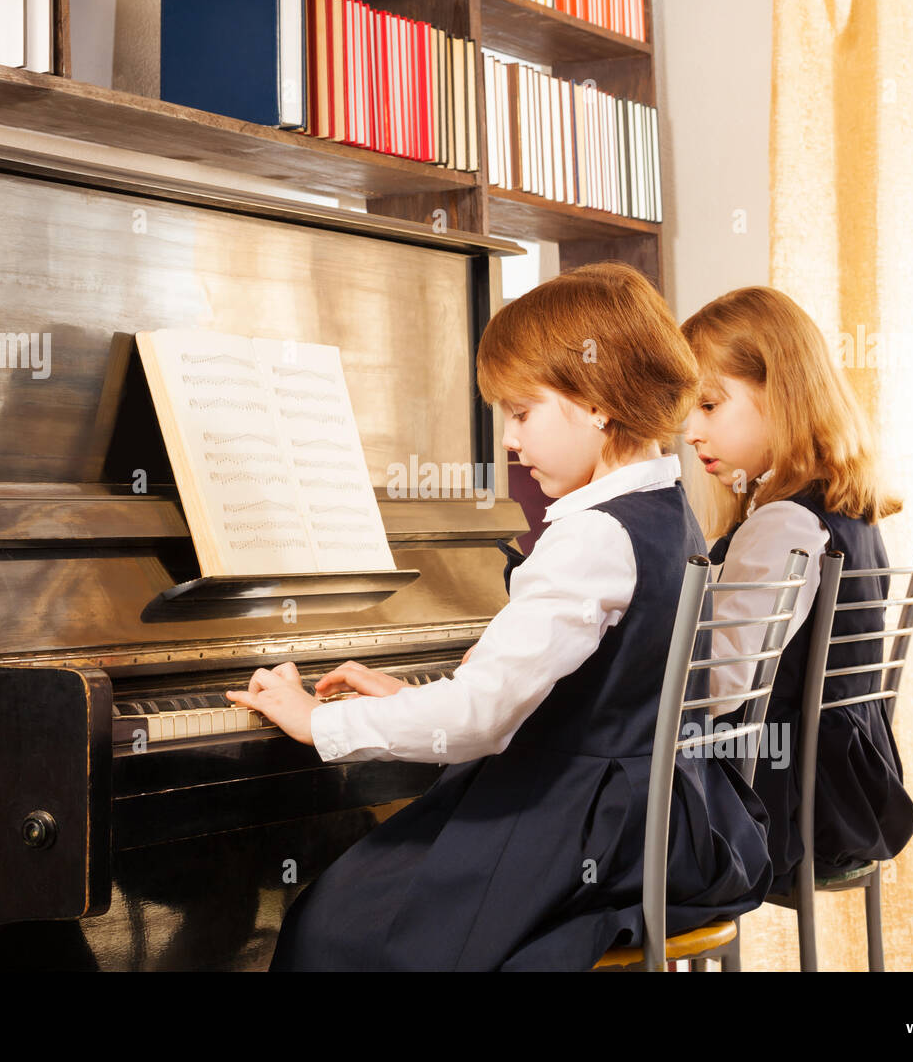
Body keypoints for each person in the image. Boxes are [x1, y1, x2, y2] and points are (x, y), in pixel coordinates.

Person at [228, 262, 773, 971]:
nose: (510, 441)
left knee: (330, 928)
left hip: (583, 830)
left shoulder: (591, 536)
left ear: (598, 400)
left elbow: (484, 715)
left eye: (522, 412)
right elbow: (574, 692)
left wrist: (316, 722)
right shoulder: (667, 510)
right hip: (652, 820)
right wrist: (419, 700)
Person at [680, 285, 913, 896]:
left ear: (780, 394)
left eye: (708, 405)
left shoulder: (785, 522)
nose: (688, 429)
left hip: (785, 804)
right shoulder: (845, 512)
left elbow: (718, 681)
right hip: (851, 792)